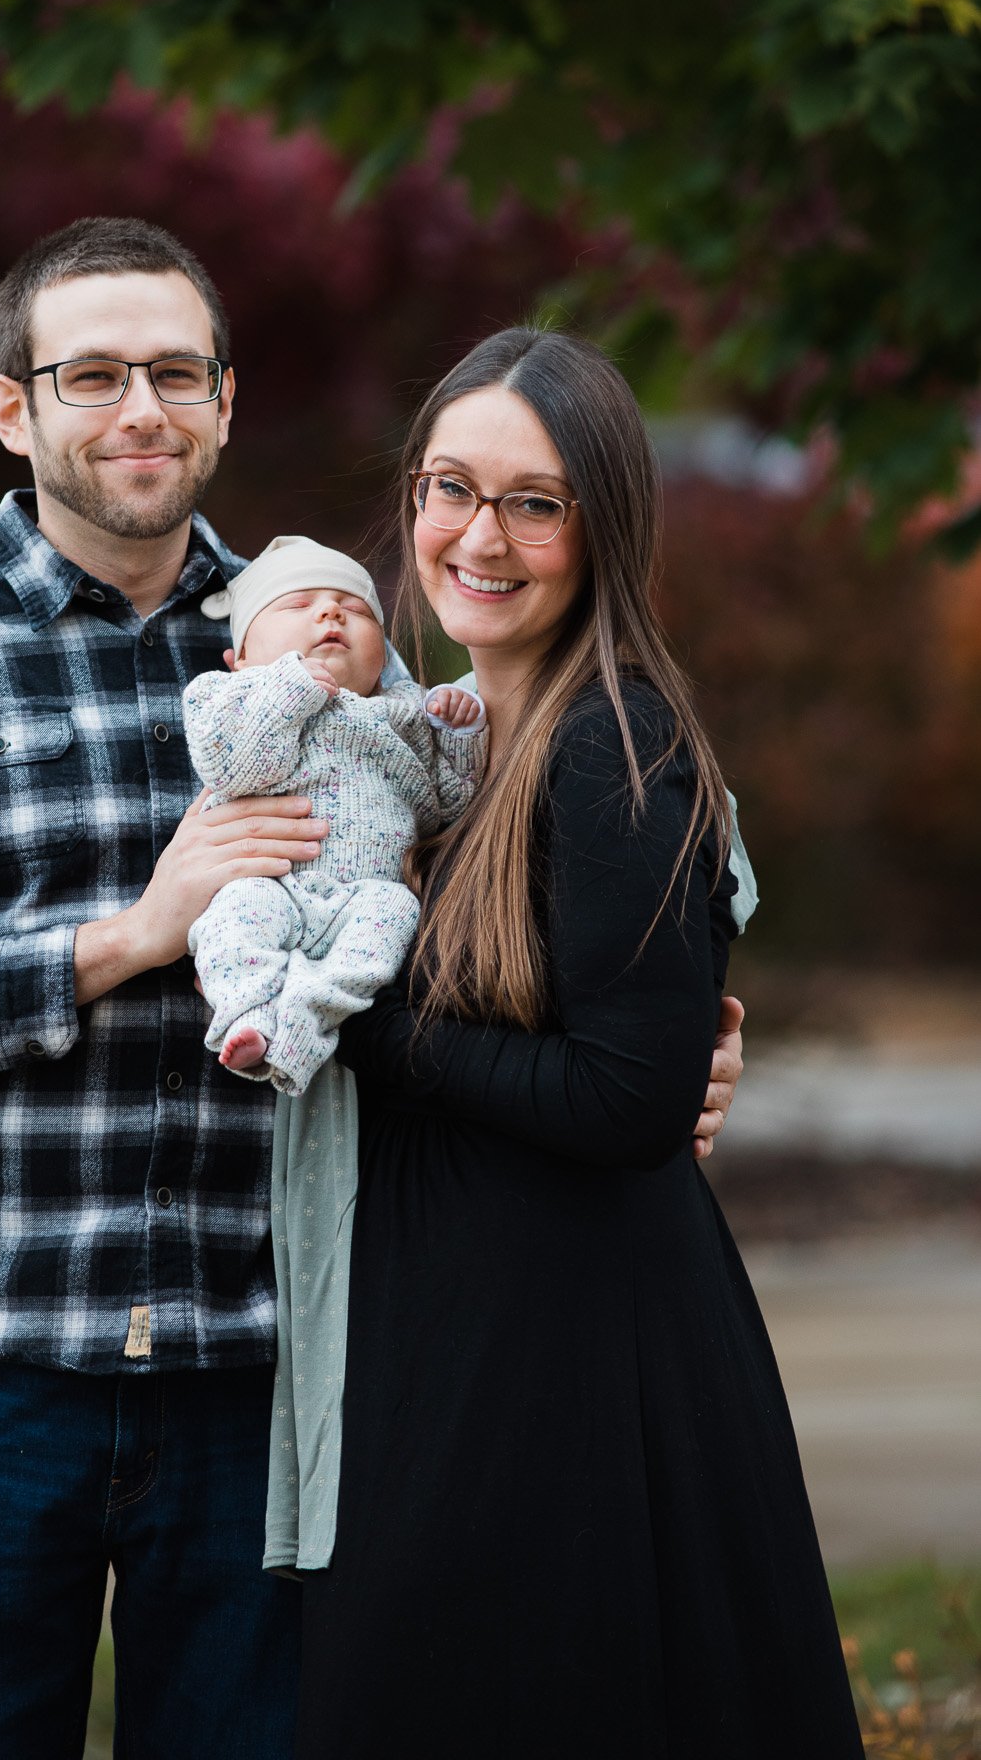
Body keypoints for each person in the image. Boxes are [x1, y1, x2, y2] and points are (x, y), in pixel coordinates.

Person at [0, 219, 746, 1760]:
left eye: (172, 373)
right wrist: (127, 939)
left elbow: (561, 865)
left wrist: (682, 1041)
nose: (137, 410)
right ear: (15, 408)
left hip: (266, 1384)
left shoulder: (336, 641)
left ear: (225, 400)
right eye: (90, 374)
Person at [294, 328, 863, 1759]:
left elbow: (630, 1095)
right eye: (449, 489)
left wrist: (364, 1028)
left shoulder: (611, 744)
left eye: (534, 502)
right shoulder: (460, 738)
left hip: (568, 1370)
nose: (479, 537)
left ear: (602, 525)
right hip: (482, 1330)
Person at [184, 533, 486, 1094]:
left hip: (365, 896)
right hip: (271, 884)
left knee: (397, 914)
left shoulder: (405, 712)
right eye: (298, 605)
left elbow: (450, 807)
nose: (329, 612)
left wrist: (461, 735)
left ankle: (304, 1020)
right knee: (234, 919)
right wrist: (289, 689)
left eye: (354, 610)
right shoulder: (226, 697)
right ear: (240, 658)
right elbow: (238, 769)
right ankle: (247, 1015)